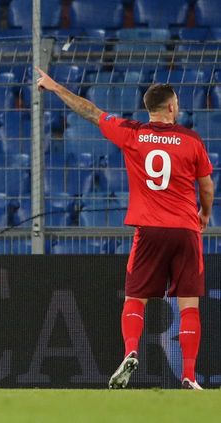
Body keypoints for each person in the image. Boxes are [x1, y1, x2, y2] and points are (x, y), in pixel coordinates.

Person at [37, 68, 214, 390]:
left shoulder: (132, 133)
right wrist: (204, 214)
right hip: (186, 230)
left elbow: (90, 111)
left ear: (149, 109)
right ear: (172, 107)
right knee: (189, 303)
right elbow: (207, 186)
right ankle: (189, 375)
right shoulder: (192, 140)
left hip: (148, 229)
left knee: (135, 298)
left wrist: (54, 86)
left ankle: (131, 350)